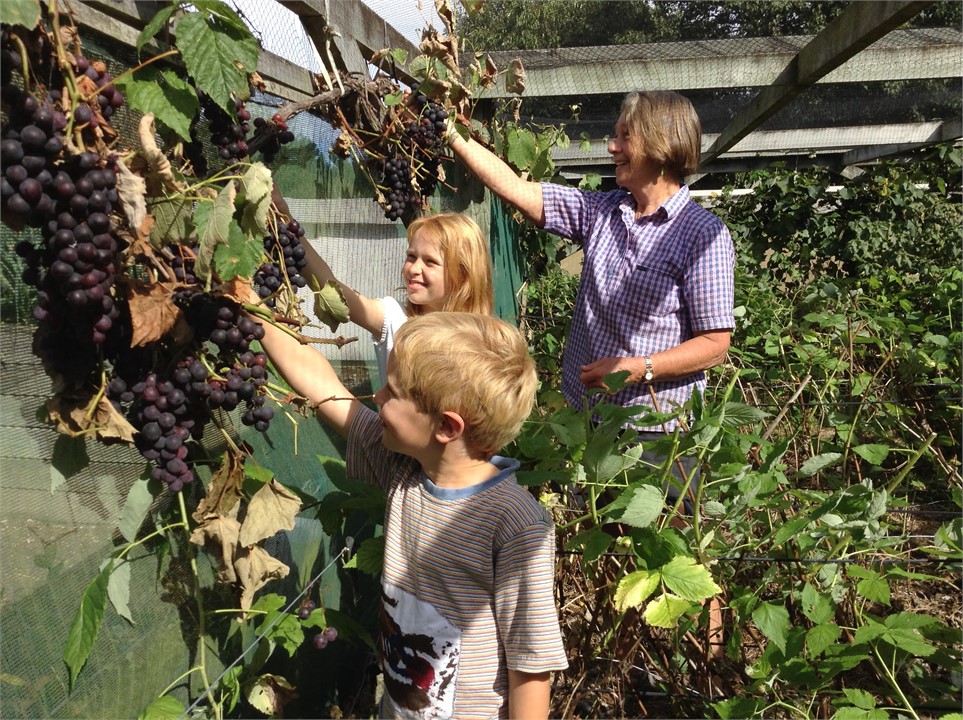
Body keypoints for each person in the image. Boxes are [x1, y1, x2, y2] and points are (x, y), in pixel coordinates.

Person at [448, 90, 734, 653]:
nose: (613, 146)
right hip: (589, 425)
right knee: (601, 539)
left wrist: (639, 367)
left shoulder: (703, 235)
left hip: (661, 431)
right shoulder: (602, 213)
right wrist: (453, 138)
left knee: (674, 550)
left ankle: (703, 664)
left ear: (660, 142)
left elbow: (716, 343)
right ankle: (614, 652)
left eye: (625, 136)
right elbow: (518, 190)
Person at [247, 302, 569, 719]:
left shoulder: (515, 526)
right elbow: (325, 389)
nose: (375, 395)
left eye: (392, 391)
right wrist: (254, 315)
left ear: (447, 428)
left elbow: (530, 667)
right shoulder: (404, 471)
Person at [271, 186, 494, 386]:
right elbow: (332, 287)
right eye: (411, 256)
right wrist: (283, 215)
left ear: (464, 274)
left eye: (430, 262)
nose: (414, 269)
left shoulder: (483, 343)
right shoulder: (395, 318)